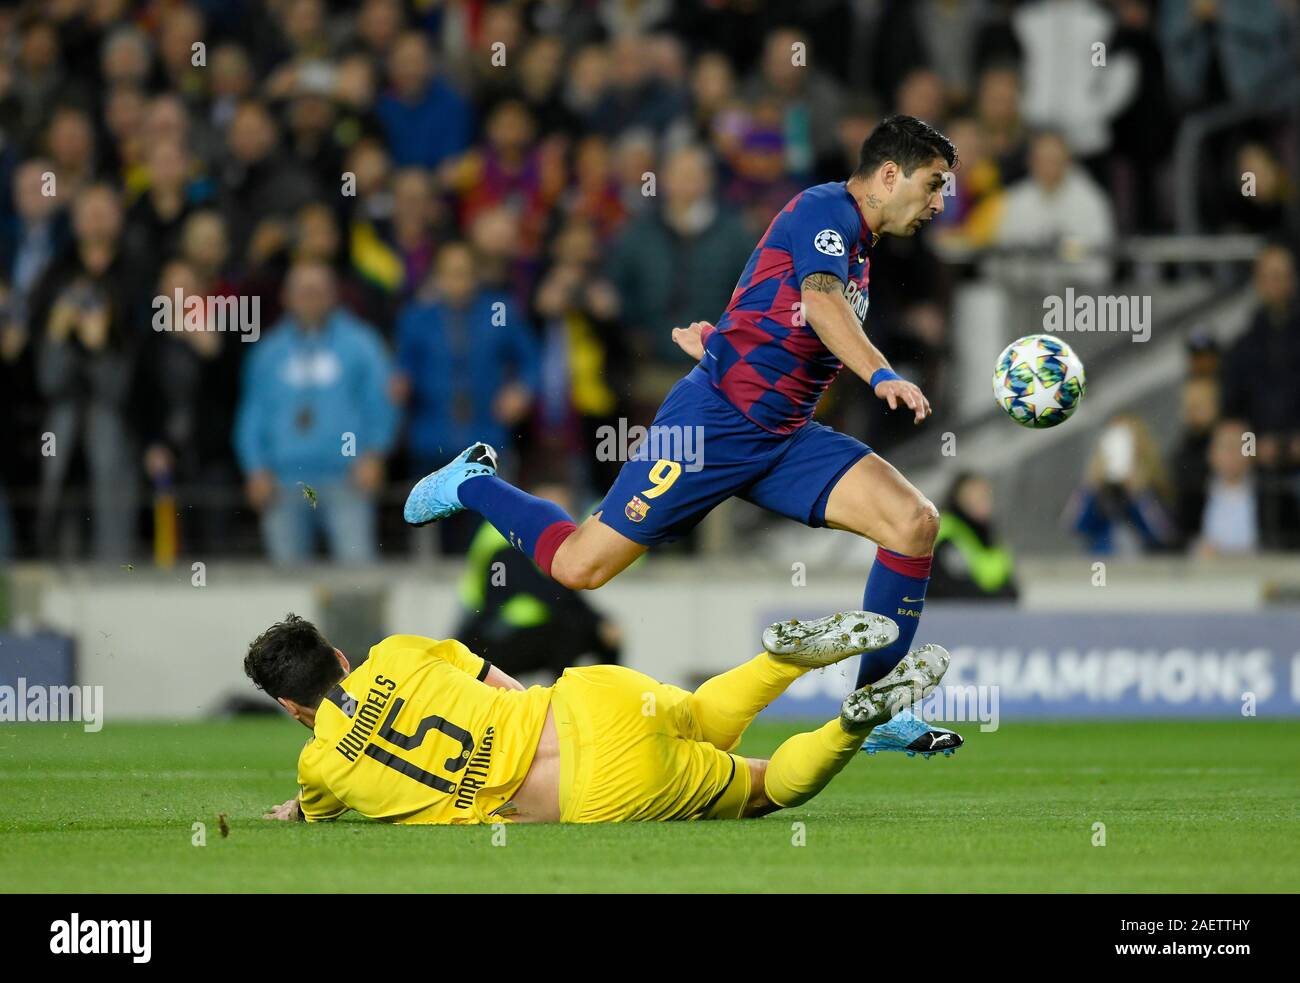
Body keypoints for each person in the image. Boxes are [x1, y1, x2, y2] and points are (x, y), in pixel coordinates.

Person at [403, 115, 963, 758]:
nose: (939, 203)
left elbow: (774, 300)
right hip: (711, 426)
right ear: (889, 175)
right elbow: (818, 304)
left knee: (913, 522)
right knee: (582, 567)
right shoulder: (825, 207)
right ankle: (473, 483)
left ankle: (875, 709)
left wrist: (719, 339)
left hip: (784, 436)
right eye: (934, 184)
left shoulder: (857, 242)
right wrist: (881, 372)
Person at [248, 610, 951, 825]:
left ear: (291, 708)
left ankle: (851, 724)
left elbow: (310, 810)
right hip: (587, 697)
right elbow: (496, 680)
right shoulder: (399, 650)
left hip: (595, 788)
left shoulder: (320, 766)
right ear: (339, 653)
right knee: (700, 715)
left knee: (762, 786)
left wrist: (293, 812)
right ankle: (788, 661)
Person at [929, 472, 1018, 600]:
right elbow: (954, 591)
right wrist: (997, 599)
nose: (984, 503)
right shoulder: (948, 536)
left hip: (990, 613)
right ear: (960, 499)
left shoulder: (988, 536)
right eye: (977, 497)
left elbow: (1011, 588)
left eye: (986, 497)